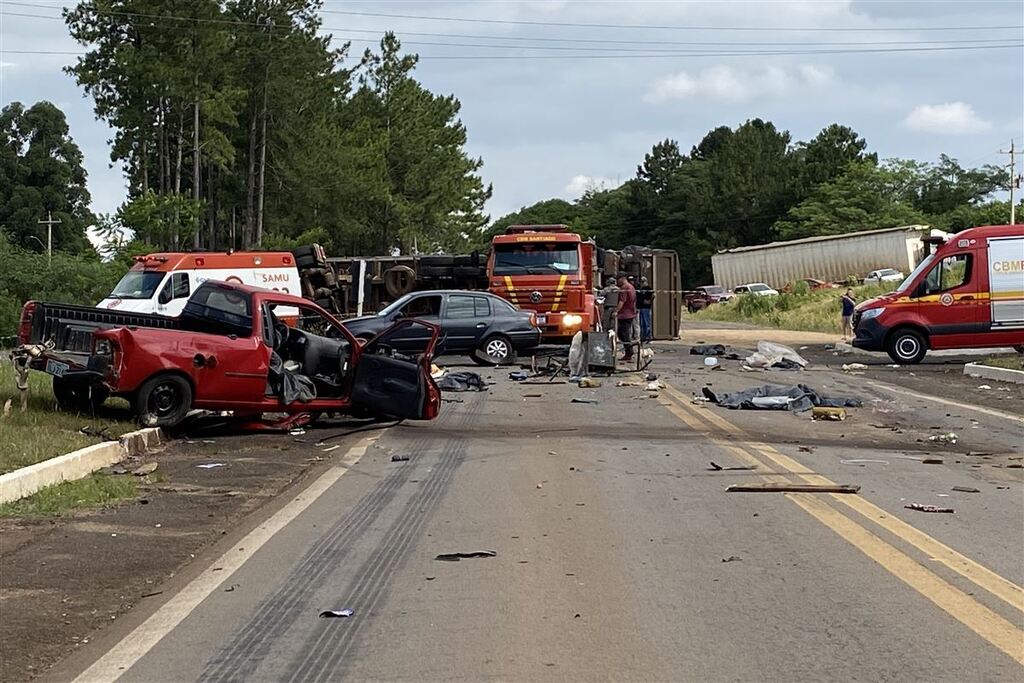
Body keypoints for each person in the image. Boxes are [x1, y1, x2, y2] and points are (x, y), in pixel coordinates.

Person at [616, 272, 637, 361]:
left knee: (623, 335)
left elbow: (622, 301)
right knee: (625, 334)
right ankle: (629, 351)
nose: (617, 281)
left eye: (618, 279)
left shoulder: (624, 288)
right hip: (630, 313)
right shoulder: (631, 287)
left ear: (622, 278)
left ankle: (629, 352)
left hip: (624, 315)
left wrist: (616, 311)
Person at [636, 276, 655, 342]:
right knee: (641, 323)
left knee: (647, 323)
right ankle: (643, 337)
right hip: (641, 307)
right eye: (641, 282)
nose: (642, 283)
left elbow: (653, 295)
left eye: (643, 281)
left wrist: (649, 301)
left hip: (646, 308)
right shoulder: (640, 289)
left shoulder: (648, 288)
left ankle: (648, 337)